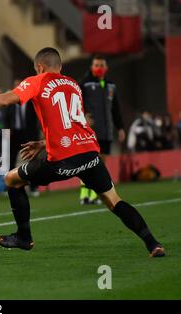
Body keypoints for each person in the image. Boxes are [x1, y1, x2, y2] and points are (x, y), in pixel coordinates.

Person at [0, 47, 165, 258]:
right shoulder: (73, 84)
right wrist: (43, 142)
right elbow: (71, 122)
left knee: (12, 179)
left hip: (63, 159)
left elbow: (5, 100)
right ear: (59, 66)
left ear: (39, 67)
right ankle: (153, 243)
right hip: (89, 154)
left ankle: (24, 237)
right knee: (114, 201)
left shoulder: (37, 81)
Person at [79, 55, 126, 205]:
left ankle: (93, 195)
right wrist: (83, 116)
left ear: (106, 68)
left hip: (106, 132)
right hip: (90, 131)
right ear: (92, 67)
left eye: (101, 65)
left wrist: (120, 128)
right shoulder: (84, 84)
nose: (99, 68)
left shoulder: (111, 85)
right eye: (96, 65)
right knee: (89, 164)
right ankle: (85, 194)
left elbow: (116, 109)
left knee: (101, 165)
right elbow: (76, 103)